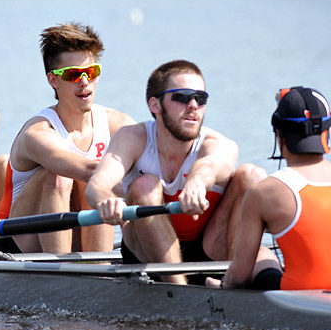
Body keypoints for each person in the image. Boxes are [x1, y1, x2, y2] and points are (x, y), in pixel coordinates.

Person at [86, 59, 271, 282]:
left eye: (200, 98)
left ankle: (233, 282)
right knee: (146, 186)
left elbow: (211, 166)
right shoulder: (132, 138)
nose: (193, 105)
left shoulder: (219, 144)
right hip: (146, 253)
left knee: (253, 176)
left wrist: (197, 182)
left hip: (210, 249)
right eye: (182, 97)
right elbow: (97, 185)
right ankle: (179, 289)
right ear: (155, 105)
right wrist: (106, 200)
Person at [0, 23, 135, 253]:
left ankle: (99, 268)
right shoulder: (38, 133)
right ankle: (62, 271)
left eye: (91, 72)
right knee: (68, 175)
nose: (84, 82)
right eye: (72, 74)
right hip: (20, 246)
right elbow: (89, 171)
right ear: (53, 80)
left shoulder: (119, 123)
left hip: (80, 237)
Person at [221, 87, 331, 290]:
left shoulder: (263, 192)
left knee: (263, 254)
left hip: (300, 301)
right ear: (327, 133)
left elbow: (239, 279)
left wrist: (221, 287)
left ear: (279, 136)